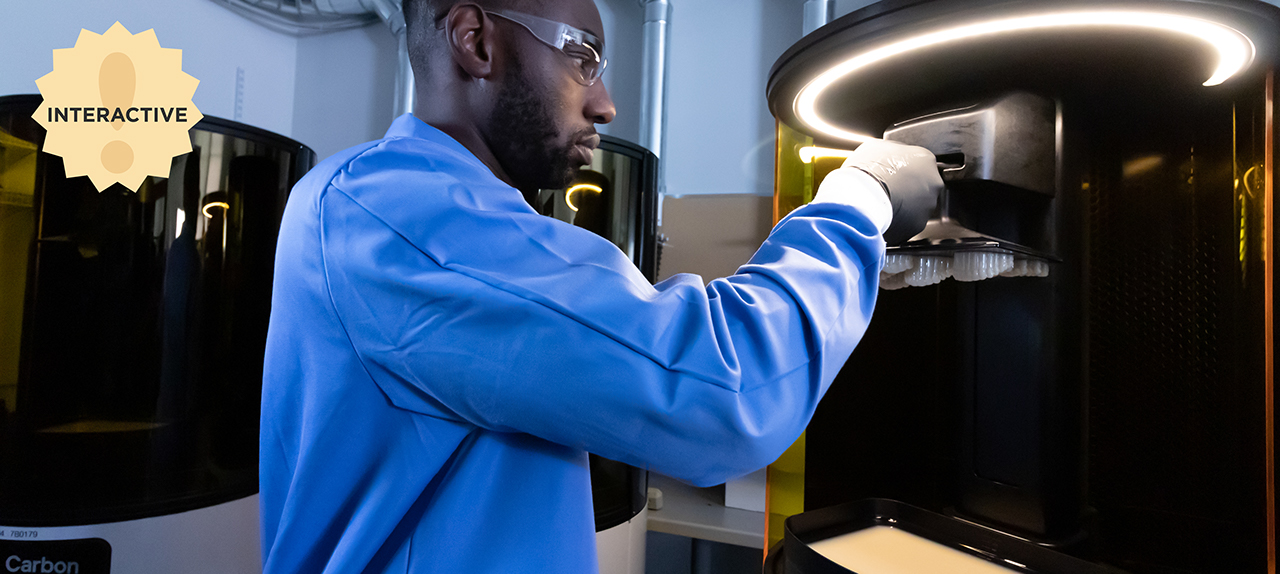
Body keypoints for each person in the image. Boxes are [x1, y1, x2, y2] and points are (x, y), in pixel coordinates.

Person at [258, 0, 943, 571]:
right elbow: (719, 387)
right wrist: (858, 200)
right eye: (581, 57)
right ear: (475, 41)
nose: (607, 104)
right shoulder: (395, 214)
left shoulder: (384, 202)